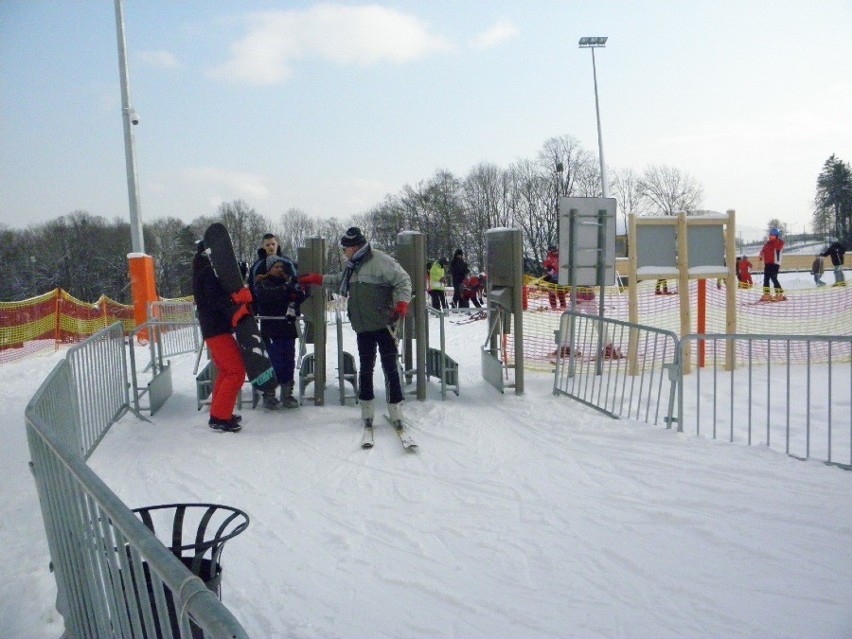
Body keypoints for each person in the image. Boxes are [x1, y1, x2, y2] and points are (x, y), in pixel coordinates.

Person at [298, 227, 412, 429]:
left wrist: (401, 303)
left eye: (345, 248)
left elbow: (403, 280)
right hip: (362, 326)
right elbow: (338, 281)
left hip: (384, 324)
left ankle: (396, 410)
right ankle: (367, 410)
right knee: (366, 369)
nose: (344, 252)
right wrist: (317, 279)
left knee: (390, 368)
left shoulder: (381, 260)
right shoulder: (352, 266)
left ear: (355, 246)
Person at [191, 241, 246, 432]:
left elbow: (215, 297)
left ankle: (220, 413)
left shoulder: (203, 270)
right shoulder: (207, 273)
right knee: (235, 372)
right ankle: (220, 418)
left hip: (213, 329)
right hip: (216, 329)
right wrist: (237, 298)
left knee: (226, 371)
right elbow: (215, 300)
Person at [254, 255, 308, 409]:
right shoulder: (262, 283)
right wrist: (286, 288)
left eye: (281, 267)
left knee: (288, 363)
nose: (279, 270)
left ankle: (287, 393)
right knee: (274, 362)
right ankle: (269, 393)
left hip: (288, 329)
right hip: (272, 330)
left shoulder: (287, 282)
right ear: (269, 269)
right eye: (276, 267)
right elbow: (267, 296)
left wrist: (297, 288)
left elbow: (299, 298)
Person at [758, 227, 786, 301]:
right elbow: (763, 250)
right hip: (767, 263)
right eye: (770, 234)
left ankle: (779, 294)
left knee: (773, 278)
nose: (771, 236)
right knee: (766, 279)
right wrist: (761, 255)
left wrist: (774, 240)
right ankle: (767, 294)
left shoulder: (779, 242)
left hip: (775, 263)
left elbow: (778, 246)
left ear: (776, 235)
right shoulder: (767, 243)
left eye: (773, 235)